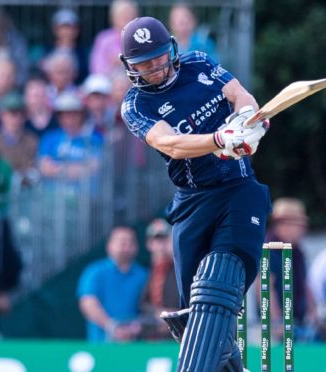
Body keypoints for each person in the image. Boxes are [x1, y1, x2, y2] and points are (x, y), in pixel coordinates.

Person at [119, 16, 270, 371]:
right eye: (145, 63)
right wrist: (219, 140)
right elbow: (169, 143)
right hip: (192, 200)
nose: (156, 67)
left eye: (159, 56)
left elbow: (238, 94)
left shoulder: (198, 63)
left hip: (237, 187)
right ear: (130, 67)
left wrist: (248, 118)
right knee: (195, 318)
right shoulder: (135, 105)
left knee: (219, 280)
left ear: (170, 48)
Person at [77, 225, 149, 342]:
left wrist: (137, 327)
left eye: (130, 242)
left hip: (135, 346)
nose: (126, 246)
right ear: (109, 246)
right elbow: (88, 303)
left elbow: (146, 307)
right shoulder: (95, 272)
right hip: (101, 346)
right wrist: (111, 327)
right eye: (121, 242)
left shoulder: (143, 275)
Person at [261, 197, 316, 340]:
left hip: (296, 324)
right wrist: (276, 322)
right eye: (300, 225)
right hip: (273, 329)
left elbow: (305, 284)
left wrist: (313, 313)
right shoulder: (268, 249)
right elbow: (264, 288)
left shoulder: (297, 251)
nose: (304, 230)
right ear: (283, 224)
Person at [141, 218, 179, 339]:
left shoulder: (181, 268)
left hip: (180, 331)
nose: (161, 245)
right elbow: (144, 303)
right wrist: (158, 314)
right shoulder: (146, 271)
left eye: (165, 239)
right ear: (149, 244)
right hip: (155, 335)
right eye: (157, 240)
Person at [0, 92, 39, 188]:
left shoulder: (32, 140)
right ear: (2, 115)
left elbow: (33, 168)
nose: (18, 118)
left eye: (22, 114)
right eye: (13, 113)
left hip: (26, 190)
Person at [90, 0, 139, 76]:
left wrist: (123, 62)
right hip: (108, 81)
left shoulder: (140, 39)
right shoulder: (104, 39)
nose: (126, 16)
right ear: (113, 17)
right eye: (123, 13)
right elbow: (96, 68)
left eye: (129, 13)